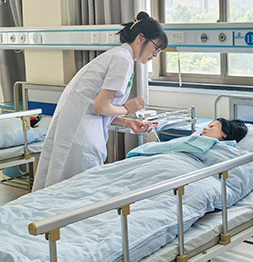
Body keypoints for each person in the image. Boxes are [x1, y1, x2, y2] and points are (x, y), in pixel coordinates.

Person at [33, 11, 167, 191]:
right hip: (81, 136)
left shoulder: (120, 57)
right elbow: (100, 106)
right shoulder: (122, 59)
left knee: (59, 190)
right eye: (156, 48)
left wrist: (127, 122)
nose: (155, 55)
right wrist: (127, 109)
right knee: (74, 192)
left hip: (78, 129)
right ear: (141, 38)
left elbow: (98, 106)